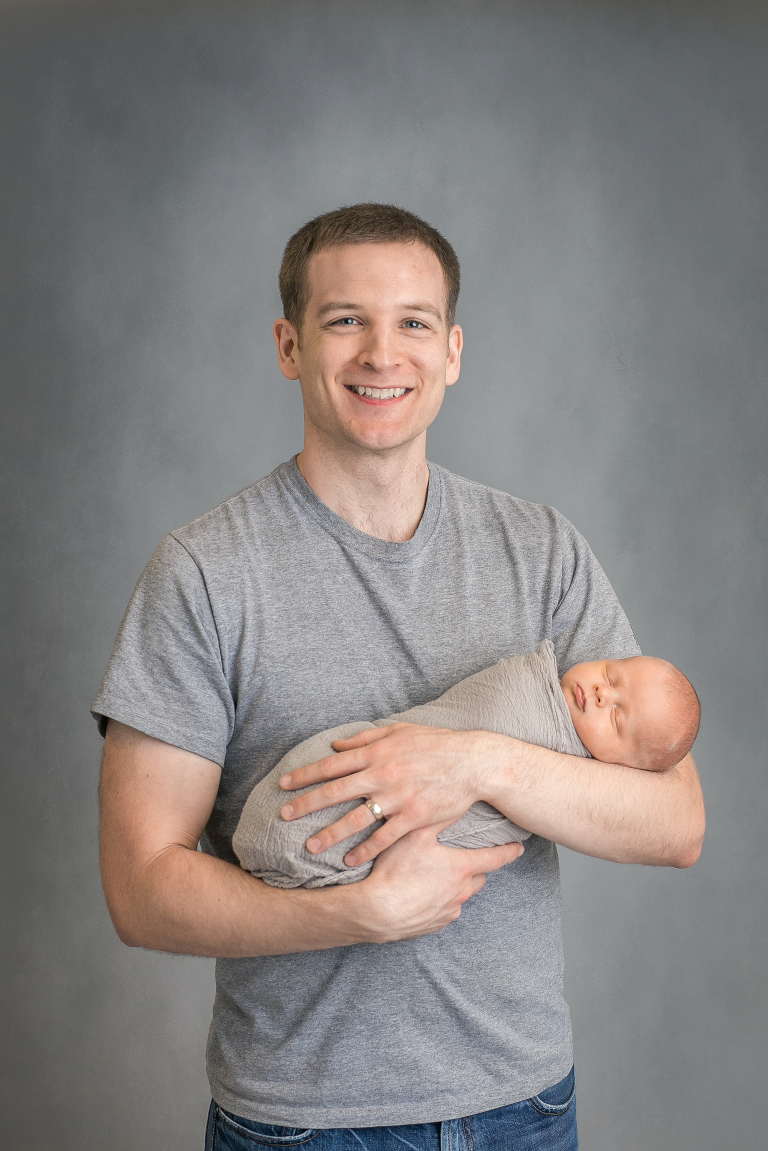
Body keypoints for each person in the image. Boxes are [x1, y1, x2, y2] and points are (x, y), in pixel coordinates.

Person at [95, 203, 705, 1151]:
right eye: (346, 320)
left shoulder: (540, 550)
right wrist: (354, 913)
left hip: (527, 1107)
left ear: (452, 350)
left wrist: (477, 766)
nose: (384, 353)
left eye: (414, 322)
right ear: (289, 344)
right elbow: (140, 889)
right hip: (306, 1123)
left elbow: (676, 822)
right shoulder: (204, 574)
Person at [232, 642, 701, 889]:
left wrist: (481, 763)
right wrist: (358, 913)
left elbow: (681, 830)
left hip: (513, 1060)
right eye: (611, 673)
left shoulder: (556, 556)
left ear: (621, 766)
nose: (602, 692)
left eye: (617, 717)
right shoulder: (535, 684)